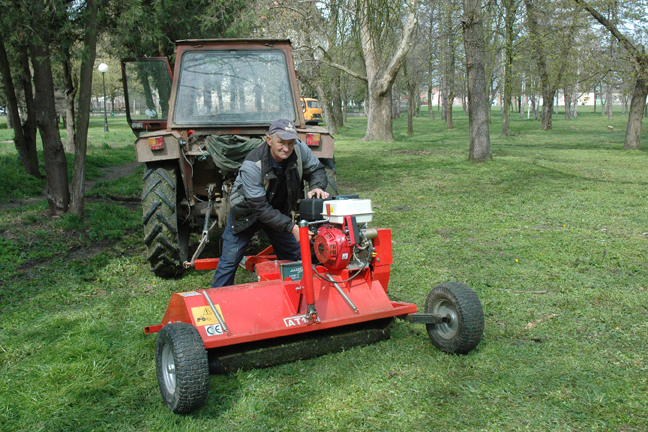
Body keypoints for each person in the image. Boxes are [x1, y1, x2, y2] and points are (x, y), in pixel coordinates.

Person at [211, 119, 329, 287]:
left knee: (295, 259)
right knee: (229, 262)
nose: (286, 148)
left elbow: (316, 169)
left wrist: (317, 186)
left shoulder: (300, 149)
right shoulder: (253, 165)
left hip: (277, 213)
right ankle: (216, 301)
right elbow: (260, 209)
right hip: (247, 215)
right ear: (269, 140)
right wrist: (291, 227)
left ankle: (297, 296)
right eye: (281, 143)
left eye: (290, 143)